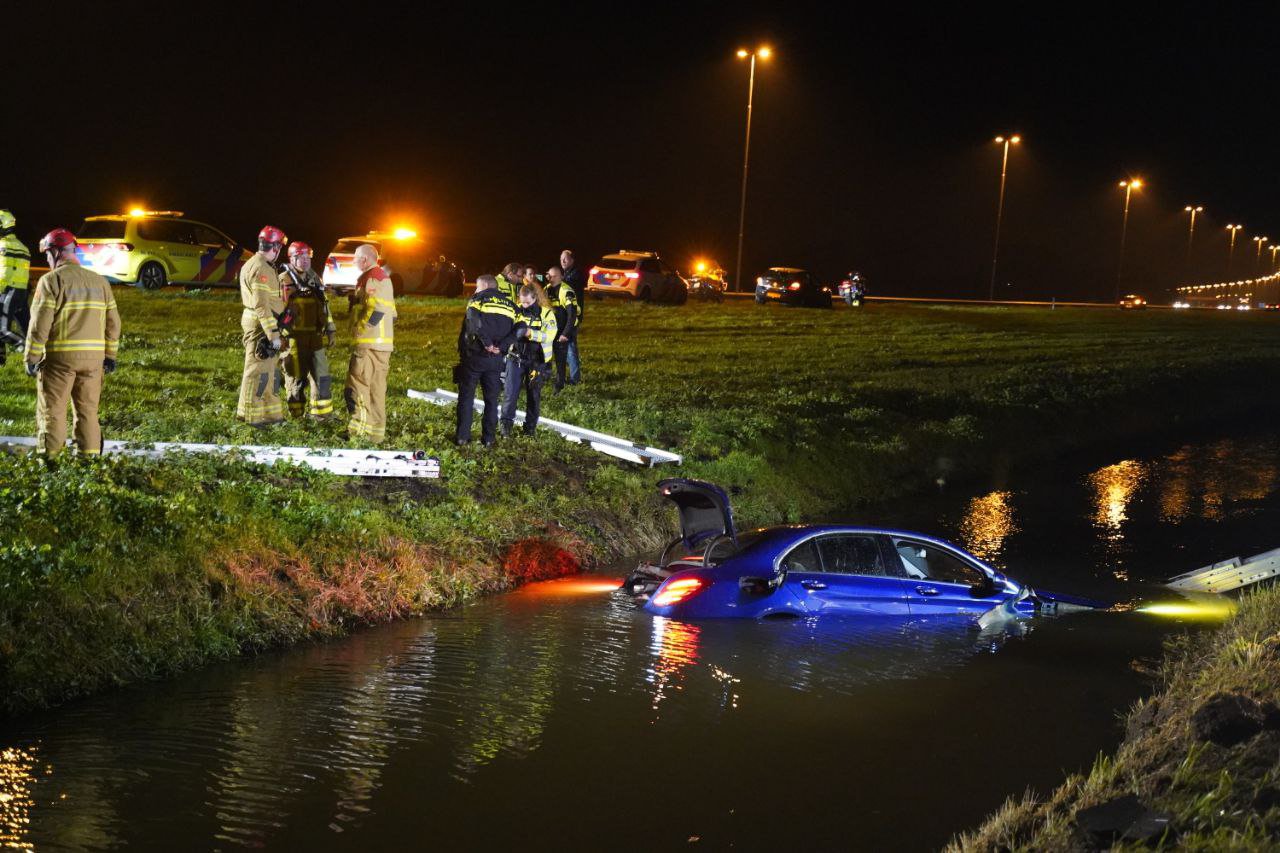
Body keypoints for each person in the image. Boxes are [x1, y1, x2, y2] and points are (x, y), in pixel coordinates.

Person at [24, 228, 120, 456]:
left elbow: (40, 324)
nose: (47, 260)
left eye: (47, 255)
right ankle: (89, 461)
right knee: (88, 411)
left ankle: (50, 461)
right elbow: (113, 323)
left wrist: (32, 358)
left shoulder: (51, 281)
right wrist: (110, 356)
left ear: (56, 252)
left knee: (53, 412)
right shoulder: (100, 282)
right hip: (94, 362)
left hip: (60, 360)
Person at [455, 274, 523, 446]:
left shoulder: (478, 299)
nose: (475, 290)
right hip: (497, 359)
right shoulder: (511, 305)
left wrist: (486, 343)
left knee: (466, 396)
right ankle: (489, 439)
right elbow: (521, 327)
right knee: (492, 400)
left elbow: (472, 320)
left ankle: (463, 437)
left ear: (484, 285)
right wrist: (502, 345)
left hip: (475, 356)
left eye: (477, 287)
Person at [237, 225, 288, 427]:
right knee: (256, 371)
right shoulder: (261, 269)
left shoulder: (259, 264)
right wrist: (273, 334)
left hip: (264, 324)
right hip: (261, 326)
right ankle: (251, 417)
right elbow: (261, 305)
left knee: (267, 370)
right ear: (274, 247)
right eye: (279, 248)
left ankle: (269, 415)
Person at [345, 244, 396, 443]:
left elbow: (377, 309)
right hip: (382, 345)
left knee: (357, 385)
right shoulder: (383, 278)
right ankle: (375, 434)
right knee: (376, 389)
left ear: (365, 259)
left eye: (356, 257)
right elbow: (392, 314)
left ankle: (359, 432)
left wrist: (361, 330)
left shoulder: (372, 277)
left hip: (369, 345)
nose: (354, 261)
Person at [279, 241, 336, 419]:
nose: (305, 261)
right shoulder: (284, 280)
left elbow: (324, 307)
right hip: (294, 338)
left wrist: (330, 329)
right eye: (300, 257)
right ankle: (296, 415)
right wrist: (278, 335)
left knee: (322, 376)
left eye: (307, 257)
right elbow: (278, 310)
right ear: (292, 258)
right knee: (296, 378)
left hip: (315, 337)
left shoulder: (315, 279)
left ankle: (321, 415)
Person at [499, 282, 557, 437]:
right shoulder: (515, 310)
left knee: (533, 394)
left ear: (535, 298)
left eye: (527, 302)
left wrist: (530, 333)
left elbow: (549, 336)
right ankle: (506, 425)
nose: (524, 305)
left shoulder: (546, 314)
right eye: (521, 301)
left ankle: (530, 428)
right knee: (510, 393)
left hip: (536, 362)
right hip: (515, 359)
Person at [0, 209, 32, 362]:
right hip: (22, 293)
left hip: (8, 291)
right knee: (29, 330)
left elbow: (3, 273)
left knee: (2, 330)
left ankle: (24, 348)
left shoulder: (3, 245)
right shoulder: (23, 247)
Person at [543, 266, 579, 392]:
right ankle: (544, 379)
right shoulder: (547, 289)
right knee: (545, 357)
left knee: (560, 360)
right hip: (550, 331)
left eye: (554, 276)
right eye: (549, 276)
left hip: (562, 331)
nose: (550, 278)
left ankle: (559, 385)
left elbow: (572, 315)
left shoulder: (567, 291)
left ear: (561, 277)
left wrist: (565, 333)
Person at [558, 249, 585, 385]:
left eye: (566, 259)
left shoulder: (576, 275)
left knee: (570, 346)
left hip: (573, 316)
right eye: (561, 258)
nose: (563, 261)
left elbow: (568, 285)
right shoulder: (567, 274)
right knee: (567, 346)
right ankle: (569, 376)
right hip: (566, 316)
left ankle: (575, 379)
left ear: (572, 260)